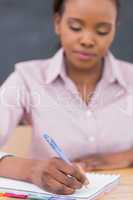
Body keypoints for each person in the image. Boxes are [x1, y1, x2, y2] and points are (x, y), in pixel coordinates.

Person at [0, 0, 133, 195]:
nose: (87, 40)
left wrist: (128, 156)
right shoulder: (27, 79)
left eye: (102, 30)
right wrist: (30, 170)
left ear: (115, 29)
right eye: (75, 27)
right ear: (57, 23)